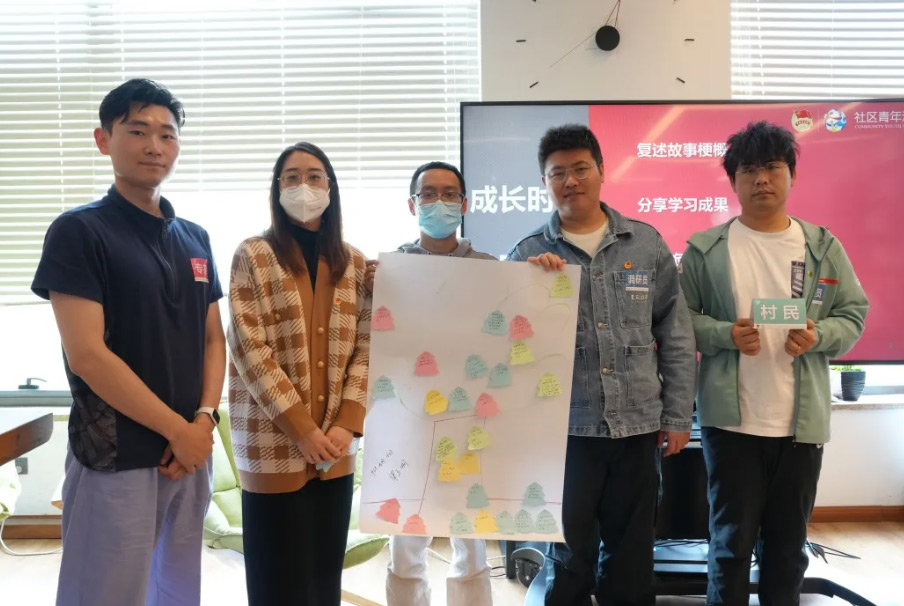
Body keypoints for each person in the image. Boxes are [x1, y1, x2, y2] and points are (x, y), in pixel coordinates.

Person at [31, 78, 225, 606]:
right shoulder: (79, 231)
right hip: (117, 456)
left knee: (177, 590)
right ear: (104, 140)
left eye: (167, 134)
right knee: (105, 595)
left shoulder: (195, 237)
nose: (154, 145)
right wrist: (179, 431)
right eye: (137, 131)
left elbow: (213, 339)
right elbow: (88, 355)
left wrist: (203, 422)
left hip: (189, 454)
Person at [678, 121, 869, 606]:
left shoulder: (823, 247)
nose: (761, 179)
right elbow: (681, 320)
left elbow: (853, 314)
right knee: (729, 546)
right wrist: (723, 334)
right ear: (733, 180)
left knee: (787, 548)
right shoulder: (706, 249)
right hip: (731, 424)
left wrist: (819, 336)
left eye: (772, 167)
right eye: (748, 170)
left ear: (791, 175)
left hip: (800, 426)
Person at [507, 124, 697, 606]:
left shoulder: (645, 243)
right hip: (565, 432)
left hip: (637, 428)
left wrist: (678, 417)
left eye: (580, 169)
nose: (570, 181)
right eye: (557, 173)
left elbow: (675, 334)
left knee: (632, 557)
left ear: (601, 171)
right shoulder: (527, 254)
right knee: (570, 556)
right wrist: (530, 290)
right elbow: (510, 349)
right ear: (544, 181)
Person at [227, 141, 371, 605]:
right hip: (273, 444)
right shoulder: (252, 255)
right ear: (276, 188)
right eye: (291, 177)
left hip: (336, 447)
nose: (303, 186)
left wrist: (346, 424)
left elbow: (367, 346)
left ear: (330, 187)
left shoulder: (355, 263)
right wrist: (303, 430)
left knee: (324, 578)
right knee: (277, 581)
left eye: (314, 176)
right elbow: (249, 348)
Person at [364, 161, 494, 606]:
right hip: (408, 417)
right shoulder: (388, 270)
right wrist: (370, 288)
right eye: (429, 194)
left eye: (450, 194)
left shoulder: (490, 269)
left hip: (471, 413)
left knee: (471, 529)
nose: (440, 202)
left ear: (465, 203)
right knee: (406, 530)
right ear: (412, 204)